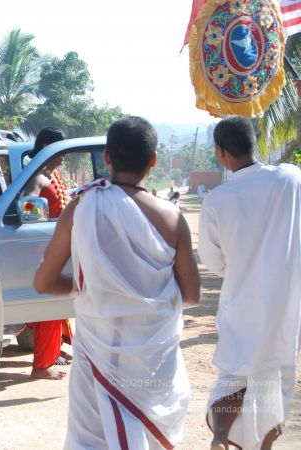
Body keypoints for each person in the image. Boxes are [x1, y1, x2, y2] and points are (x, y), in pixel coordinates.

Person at [34, 116, 200, 448]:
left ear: (107, 157)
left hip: (97, 353)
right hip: (153, 360)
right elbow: (192, 295)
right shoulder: (172, 218)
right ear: (153, 161)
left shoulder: (82, 205)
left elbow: (43, 282)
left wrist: (85, 287)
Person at [198, 116, 301, 450]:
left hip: (241, 303)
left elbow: (213, 262)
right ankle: (264, 447)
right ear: (254, 142)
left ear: (220, 152)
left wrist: (243, 266)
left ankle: (219, 436)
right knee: (275, 384)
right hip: (285, 307)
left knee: (233, 377)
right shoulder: (291, 178)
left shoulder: (216, 201)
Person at [22, 127, 74, 380]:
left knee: (59, 304)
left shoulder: (52, 174)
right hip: (46, 248)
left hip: (60, 247)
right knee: (50, 308)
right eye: (59, 152)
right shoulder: (36, 177)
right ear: (46, 149)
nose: (63, 158)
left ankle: (54, 351)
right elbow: (27, 205)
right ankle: (42, 366)